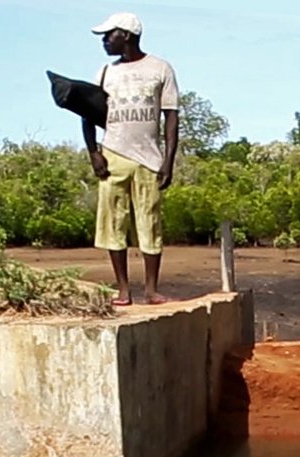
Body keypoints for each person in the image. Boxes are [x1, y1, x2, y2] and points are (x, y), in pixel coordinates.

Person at [82, 12, 180, 306]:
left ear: (125, 34)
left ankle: (151, 290)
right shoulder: (105, 72)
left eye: (108, 35)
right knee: (114, 223)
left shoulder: (160, 68)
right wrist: (94, 152)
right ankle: (123, 289)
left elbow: (171, 118)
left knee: (149, 223)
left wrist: (168, 160)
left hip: (148, 158)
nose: (104, 41)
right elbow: (86, 112)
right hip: (113, 155)